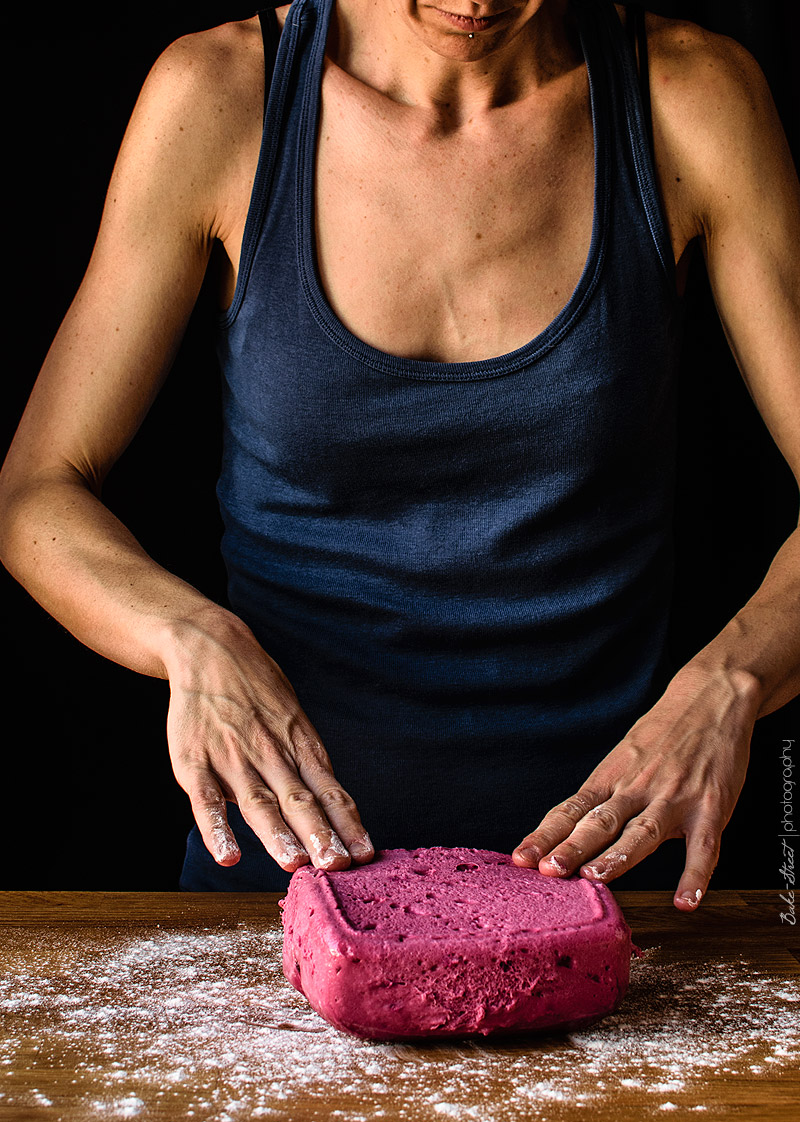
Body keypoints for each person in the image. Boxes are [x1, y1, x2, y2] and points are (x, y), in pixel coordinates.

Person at [1, 0, 798, 908]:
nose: (478, 3)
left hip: (612, 903)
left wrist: (735, 677)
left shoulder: (689, 98)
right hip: (281, 904)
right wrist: (187, 636)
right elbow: (36, 492)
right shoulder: (222, 96)